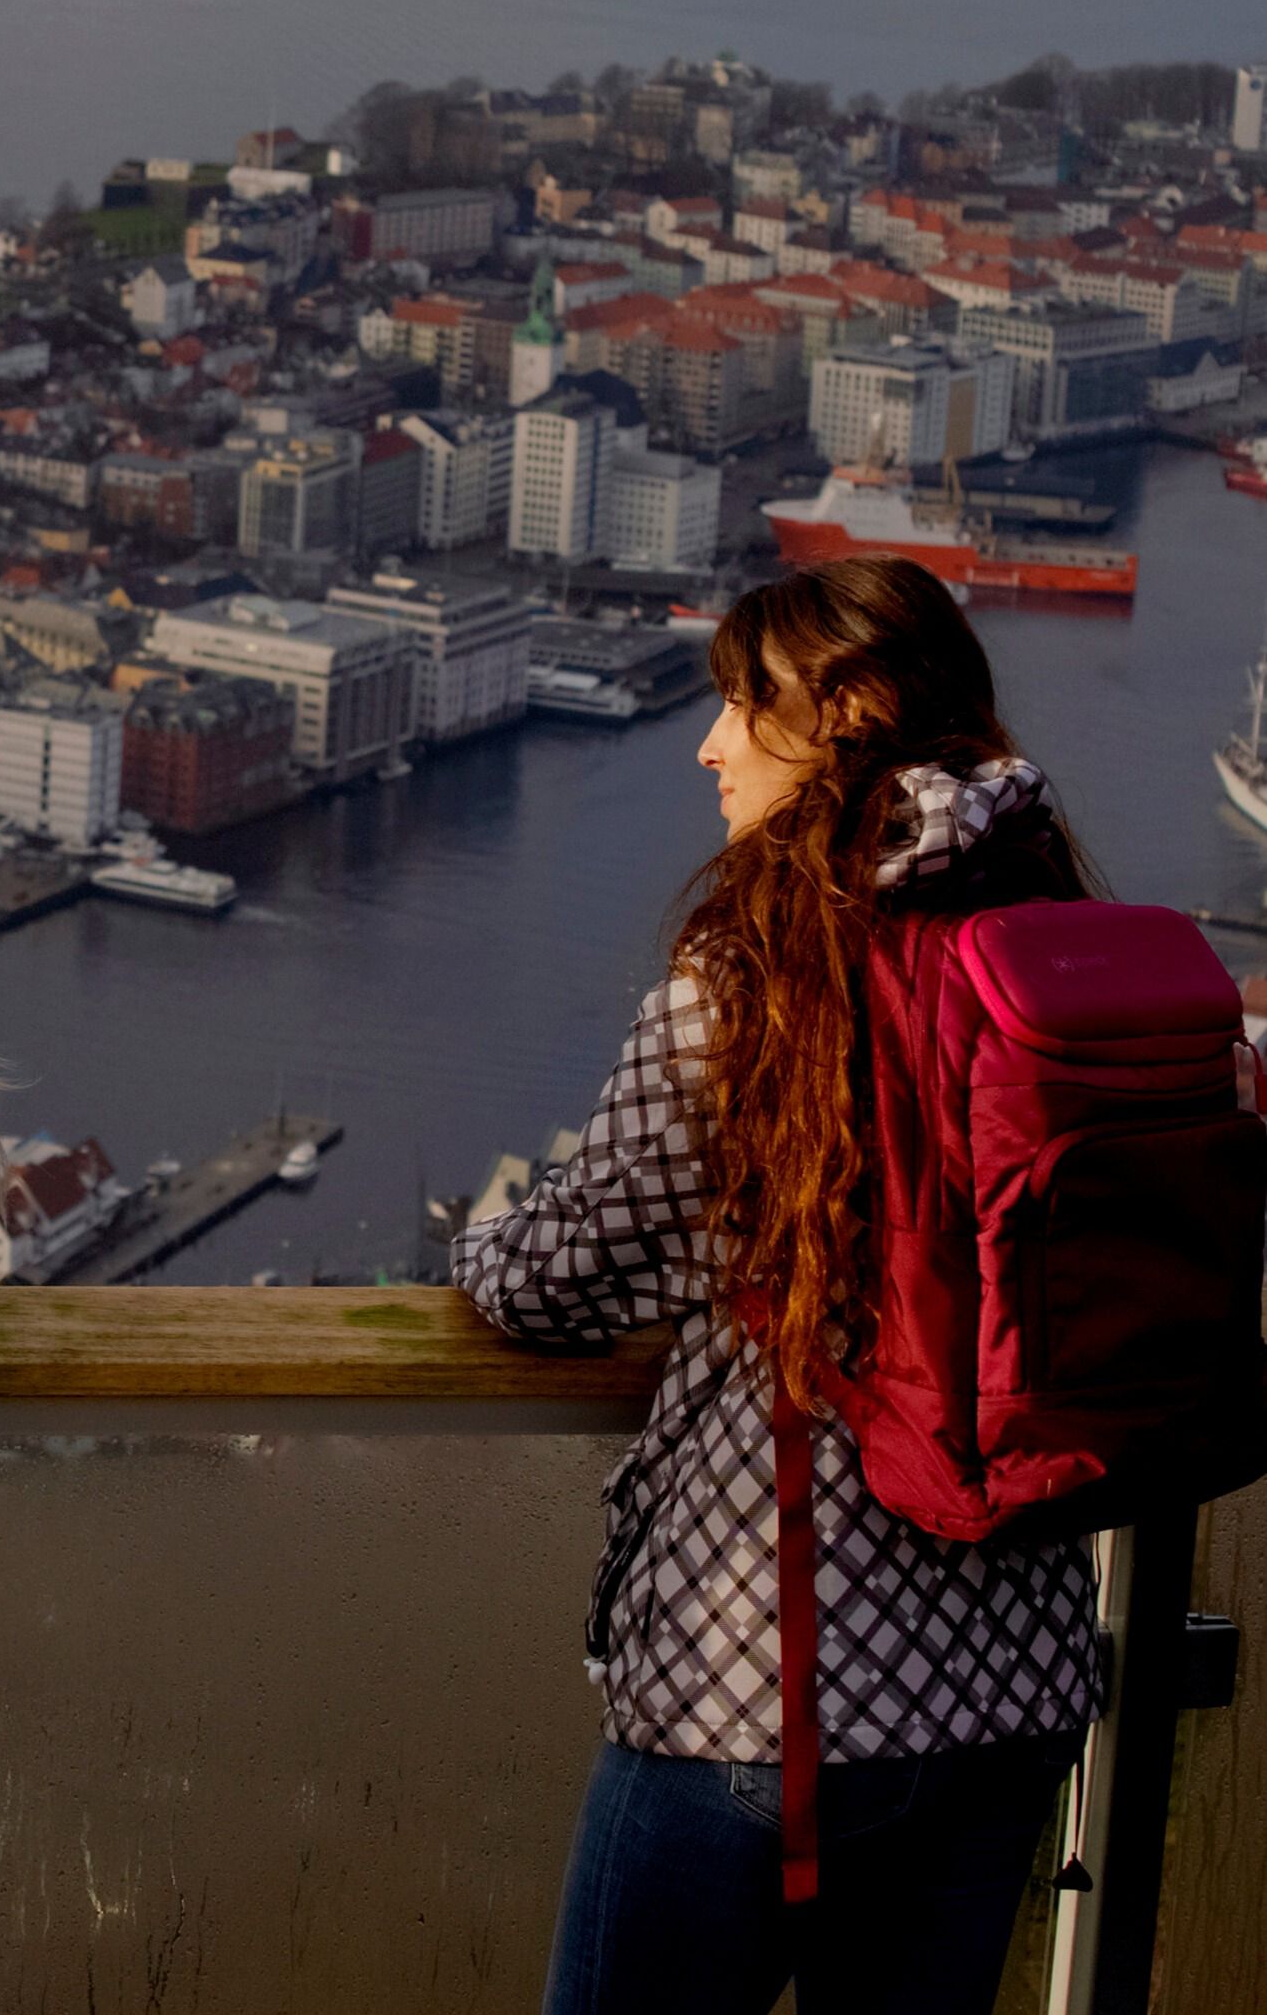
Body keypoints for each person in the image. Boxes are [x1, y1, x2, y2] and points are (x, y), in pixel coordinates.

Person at [458, 557, 1105, 2015]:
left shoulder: (754, 973)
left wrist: (480, 1241)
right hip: (1016, 1681)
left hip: (765, 1684)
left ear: (849, 717)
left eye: (746, 706)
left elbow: (569, 1273)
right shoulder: (1052, 935)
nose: (710, 744)